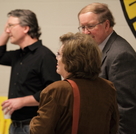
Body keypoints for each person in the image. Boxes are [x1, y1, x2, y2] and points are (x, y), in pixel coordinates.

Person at [30, 32, 119, 134]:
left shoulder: (57, 90)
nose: (56, 58)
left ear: (71, 60)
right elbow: (113, 127)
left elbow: (39, 130)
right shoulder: (108, 87)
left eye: (59, 54)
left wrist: (33, 121)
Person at [0, 9, 61, 134]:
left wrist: (22, 101)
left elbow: (53, 92)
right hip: (15, 126)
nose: (7, 30)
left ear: (25, 28)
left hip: (34, 126)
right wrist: (6, 31)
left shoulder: (45, 56)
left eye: (11, 26)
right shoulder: (19, 55)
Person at [77, 3, 136, 134]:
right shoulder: (98, 48)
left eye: (91, 26)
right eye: (82, 27)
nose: (86, 32)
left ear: (107, 25)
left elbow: (126, 107)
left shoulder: (121, 55)